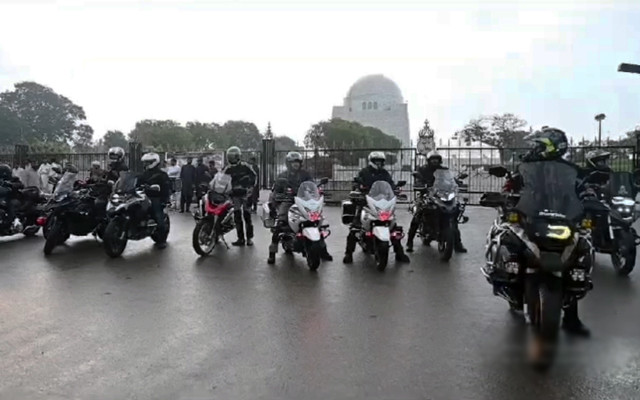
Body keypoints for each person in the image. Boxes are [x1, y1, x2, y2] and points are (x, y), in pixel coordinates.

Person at [511, 127, 591, 337]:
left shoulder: (570, 170)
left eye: (541, 145)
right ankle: (513, 290)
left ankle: (572, 318)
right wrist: (510, 193)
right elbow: (514, 183)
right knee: (514, 243)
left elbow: (582, 187)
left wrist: (589, 195)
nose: (537, 148)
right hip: (533, 216)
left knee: (577, 252)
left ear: (553, 147)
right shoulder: (529, 166)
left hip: (563, 218)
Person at [343, 151, 410, 264]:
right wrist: (359, 188)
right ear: (372, 161)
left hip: (383, 202)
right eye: (376, 161)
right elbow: (356, 184)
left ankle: (400, 253)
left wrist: (395, 189)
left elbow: (391, 184)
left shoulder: (384, 173)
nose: (379, 163)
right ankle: (348, 254)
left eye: (380, 161)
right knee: (355, 227)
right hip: (367, 201)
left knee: (393, 226)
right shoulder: (364, 172)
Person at [267, 151, 333, 264]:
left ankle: (323, 251)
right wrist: (280, 194)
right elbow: (276, 189)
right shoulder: (283, 175)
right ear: (288, 163)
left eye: (297, 162)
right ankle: (272, 252)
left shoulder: (305, 174)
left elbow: (311, 185)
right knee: (281, 222)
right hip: (288, 201)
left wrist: (317, 190)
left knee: (317, 221)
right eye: (293, 162)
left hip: (304, 200)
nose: (296, 164)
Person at [406, 150, 467, 253]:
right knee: (418, 213)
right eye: (433, 159)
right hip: (427, 194)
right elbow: (418, 180)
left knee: (454, 215)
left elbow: (451, 180)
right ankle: (409, 242)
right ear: (429, 160)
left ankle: (458, 244)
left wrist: (458, 183)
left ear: (439, 160)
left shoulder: (444, 169)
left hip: (443, 195)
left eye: (436, 159)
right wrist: (420, 184)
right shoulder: (423, 169)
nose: (435, 161)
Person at [223, 146, 256, 246]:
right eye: (230, 157)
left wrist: (250, 187)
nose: (232, 159)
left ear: (238, 157)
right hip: (235, 195)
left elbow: (254, 176)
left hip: (245, 194)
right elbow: (222, 179)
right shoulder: (227, 169)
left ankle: (249, 238)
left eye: (233, 157)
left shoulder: (245, 166)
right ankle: (240, 238)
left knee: (247, 217)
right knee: (237, 217)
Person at [138, 153, 171, 249]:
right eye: (145, 162)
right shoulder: (144, 174)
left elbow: (166, 188)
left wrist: (164, 198)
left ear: (154, 162)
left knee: (157, 214)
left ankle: (162, 239)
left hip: (156, 197)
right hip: (143, 196)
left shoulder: (162, 174)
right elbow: (136, 182)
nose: (146, 164)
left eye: (148, 162)